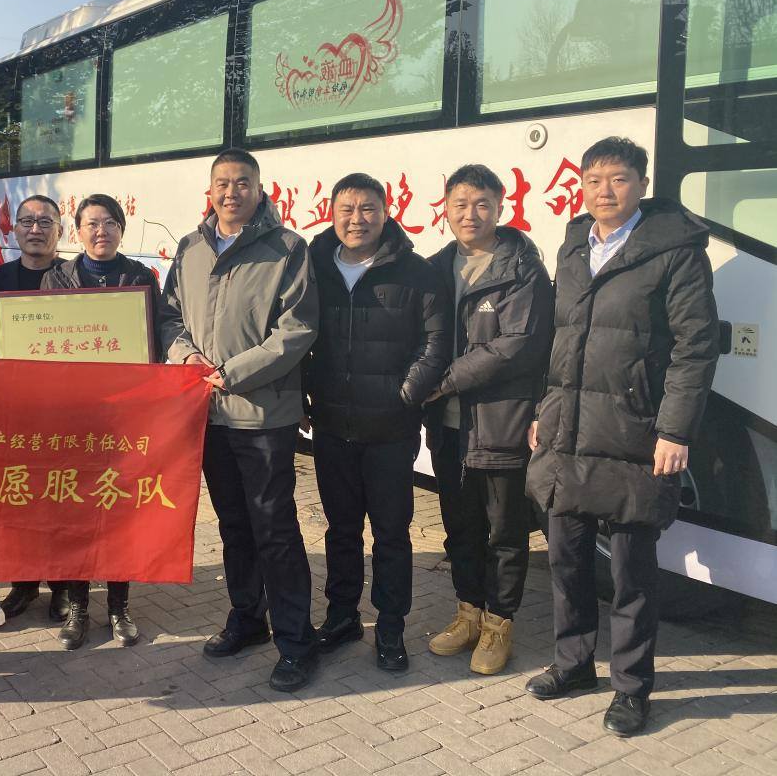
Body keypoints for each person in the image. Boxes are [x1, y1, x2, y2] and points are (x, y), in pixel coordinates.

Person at [525, 138, 719, 737]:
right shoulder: (574, 247)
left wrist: (675, 430)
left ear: (642, 184)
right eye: (593, 180)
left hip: (636, 432)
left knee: (632, 573)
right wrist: (543, 410)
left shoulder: (675, 252)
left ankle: (632, 688)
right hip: (566, 430)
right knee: (567, 558)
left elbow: (695, 347)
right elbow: (558, 339)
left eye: (618, 179)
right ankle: (574, 663)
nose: (604, 191)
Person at [157, 148, 320, 693]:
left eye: (242, 182)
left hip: (262, 413)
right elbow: (169, 315)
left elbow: (297, 329)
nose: (232, 192)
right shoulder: (191, 247)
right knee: (233, 524)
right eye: (223, 183)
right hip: (207, 414)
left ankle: (296, 641)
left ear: (259, 187)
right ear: (210, 190)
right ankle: (248, 618)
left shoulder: (287, 248)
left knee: (275, 528)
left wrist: (231, 373)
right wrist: (185, 357)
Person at [304, 172, 449, 674]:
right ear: (331, 213)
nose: (357, 219)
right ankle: (342, 616)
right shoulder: (315, 267)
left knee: (391, 534)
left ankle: (390, 627)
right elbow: (295, 333)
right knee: (341, 530)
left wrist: (405, 395)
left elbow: (435, 343)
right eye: (347, 209)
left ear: (385, 213)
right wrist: (304, 391)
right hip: (332, 424)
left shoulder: (415, 272)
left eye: (368, 209)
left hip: (390, 430)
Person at [422, 164, 553, 675]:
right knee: (460, 527)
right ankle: (468, 614)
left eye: (481, 204)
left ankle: (500, 623)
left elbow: (517, 345)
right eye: (460, 204)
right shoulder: (435, 268)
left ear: (501, 206)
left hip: (501, 423)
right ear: (446, 209)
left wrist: (445, 379)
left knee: (504, 531)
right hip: (449, 427)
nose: (470, 214)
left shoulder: (523, 270)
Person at [40, 194, 161, 650]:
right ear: (77, 231)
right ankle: (78, 608)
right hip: (72, 414)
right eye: (91, 223)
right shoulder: (57, 278)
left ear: (121, 230)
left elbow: (155, 337)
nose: (101, 231)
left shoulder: (140, 277)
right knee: (76, 511)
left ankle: (119, 607)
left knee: (119, 510)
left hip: (123, 414)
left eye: (110, 223)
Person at [0, 194, 73, 624]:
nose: (35, 229)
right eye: (27, 221)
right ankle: (23, 583)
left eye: (45, 222)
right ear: (14, 229)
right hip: (12, 410)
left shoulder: (74, 278)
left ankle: (63, 585)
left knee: (61, 499)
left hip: (65, 410)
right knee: (17, 498)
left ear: (61, 229)